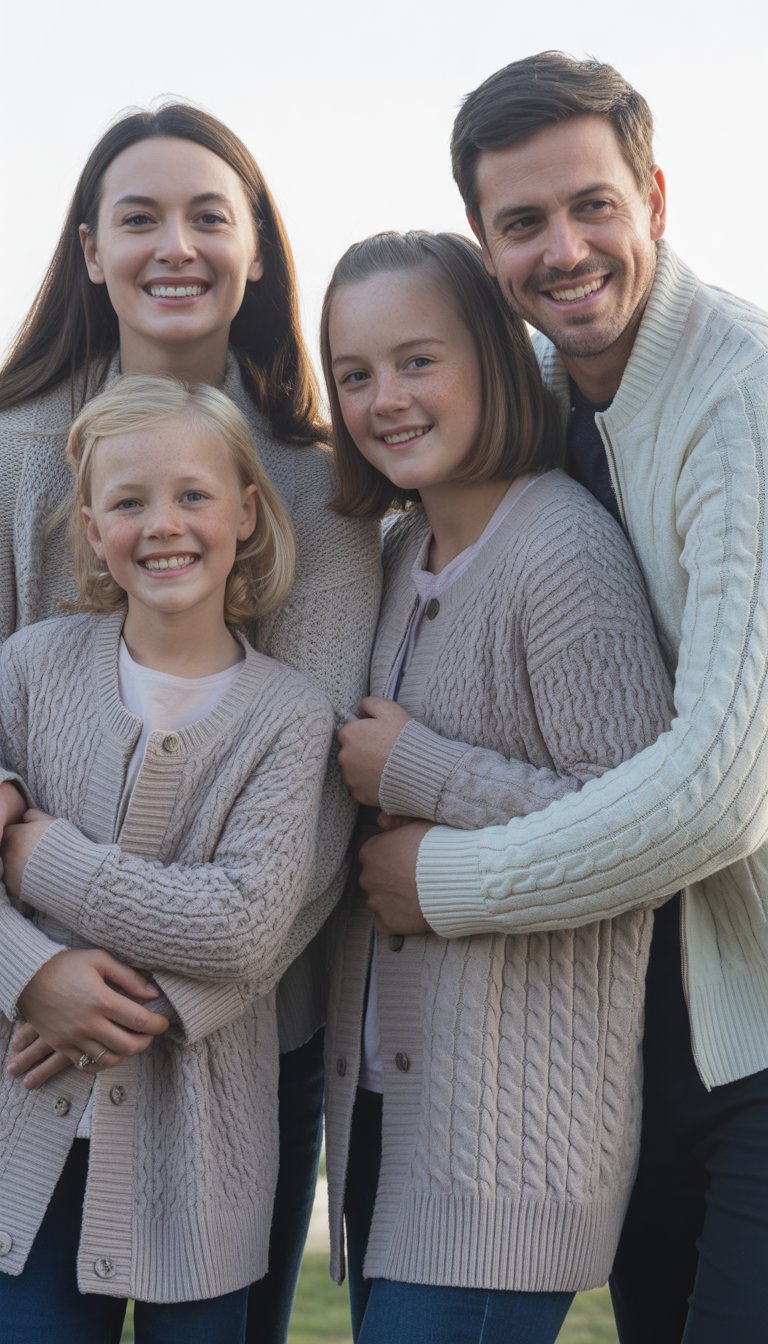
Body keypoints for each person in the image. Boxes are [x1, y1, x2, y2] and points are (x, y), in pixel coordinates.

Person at [357, 53, 768, 1344]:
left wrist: (447, 881)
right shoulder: (535, 405)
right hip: (656, 1019)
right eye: (523, 222)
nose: (566, 248)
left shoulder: (737, 395)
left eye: (594, 204)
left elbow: (720, 796)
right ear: (487, 249)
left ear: (654, 195)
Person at [0, 103, 380, 1342]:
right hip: (20, 1043)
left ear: (258, 249)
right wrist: (30, 976)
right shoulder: (13, 456)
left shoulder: (320, 495)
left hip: (240, 1037)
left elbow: (313, 826)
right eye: (140, 217)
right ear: (91, 248)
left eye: (211, 216)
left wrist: (153, 1003)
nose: (177, 246)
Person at [319, 229, 673, 1344]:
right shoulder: (388, 561)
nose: (386, 400)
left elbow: (638, 837)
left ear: (492, 355)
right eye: (356, 373)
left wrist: (421, 771)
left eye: (418, 361)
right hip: (378, 1117)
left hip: (504, 1149)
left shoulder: (564, 550)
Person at [0, 374, 335, 1341]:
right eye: (129, 502)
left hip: (200, 1165)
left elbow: (238, 927)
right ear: (94, 526)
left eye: (193, 495)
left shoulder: (288, 714)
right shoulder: (29, 667)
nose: (165, 525)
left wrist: (37, 859)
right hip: (26, 1134)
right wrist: (30, 974)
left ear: (246, 511)